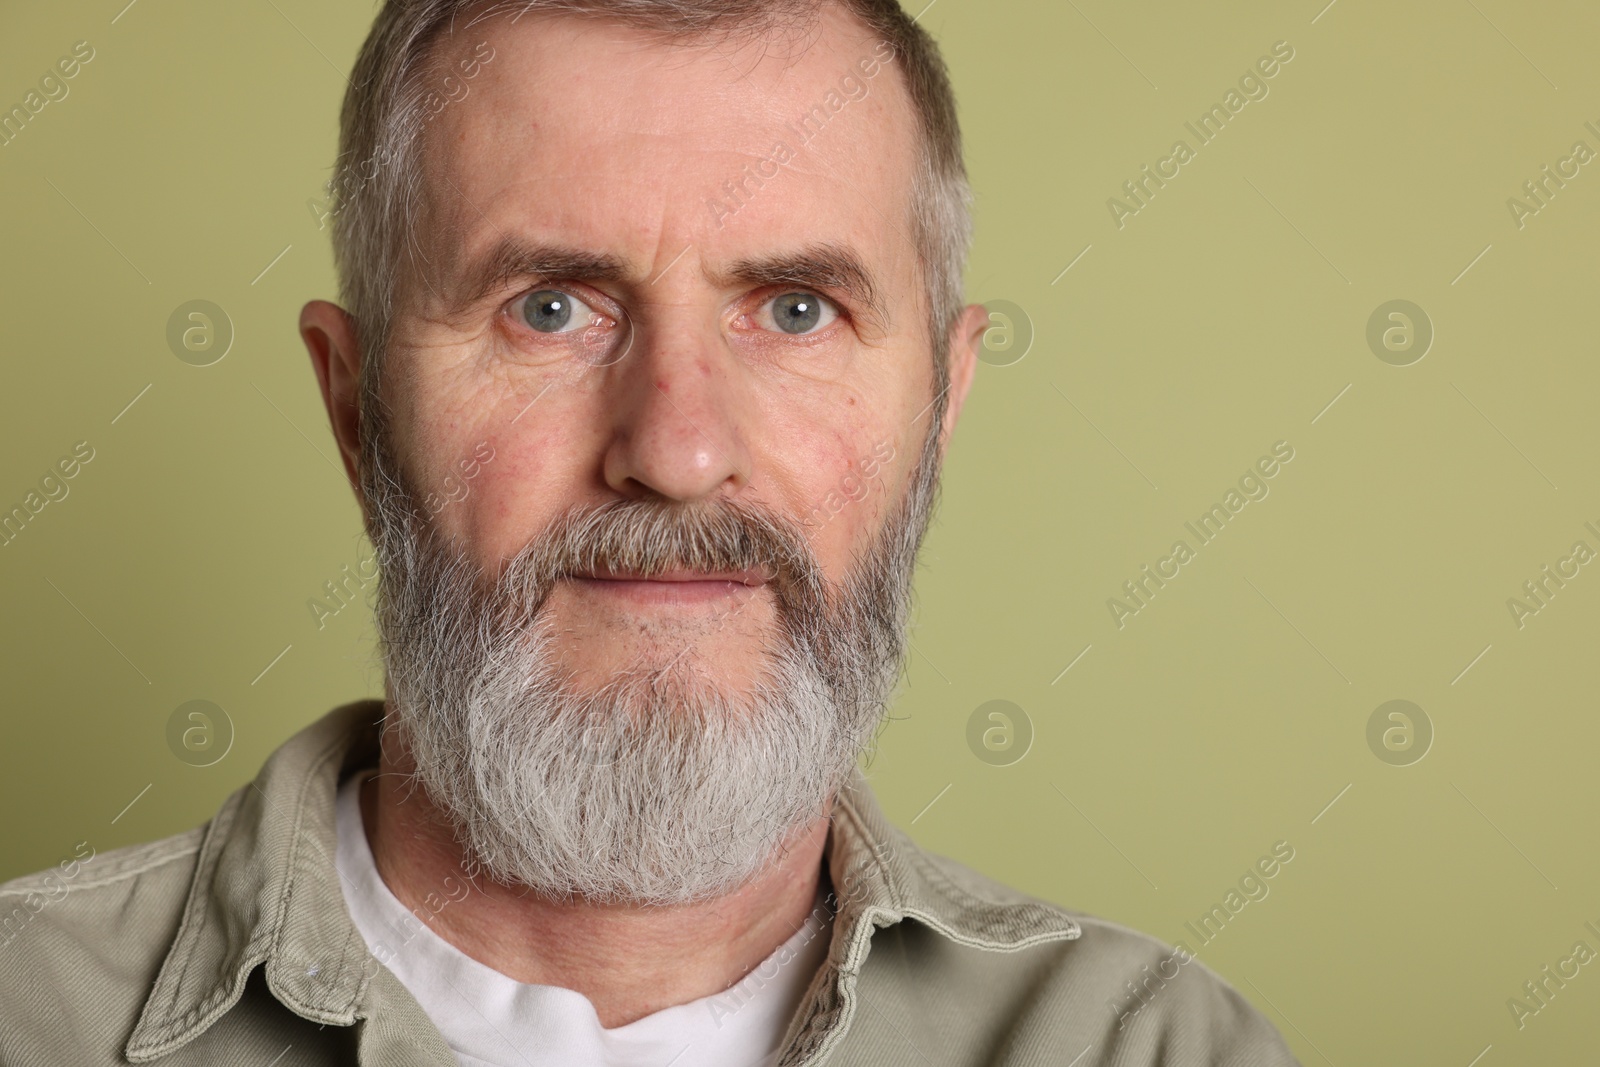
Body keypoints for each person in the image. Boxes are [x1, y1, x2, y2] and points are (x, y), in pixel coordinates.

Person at [0, 1, 1301, 1063]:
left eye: (796, 311)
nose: (676, 455)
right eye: (551, 310)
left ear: (940, 411)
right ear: (357, 412)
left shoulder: (1159, 1049)